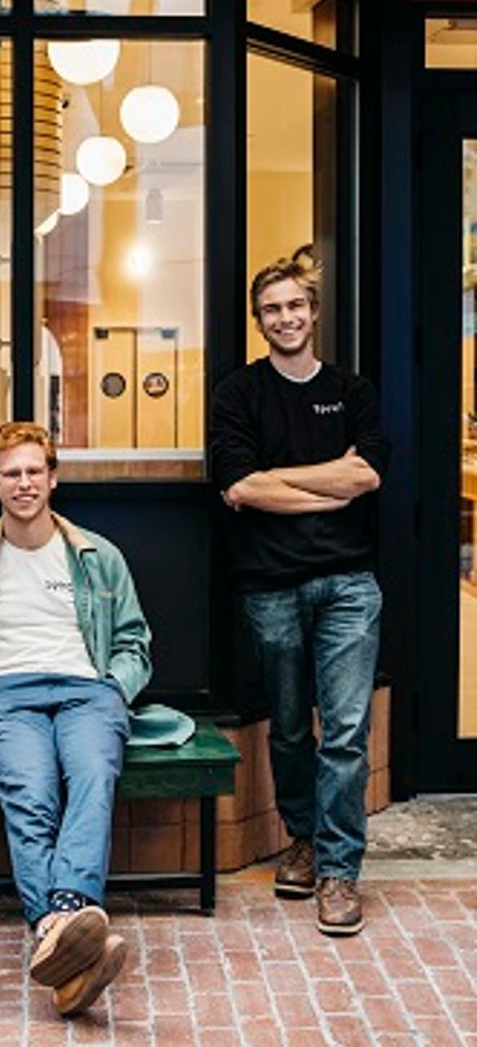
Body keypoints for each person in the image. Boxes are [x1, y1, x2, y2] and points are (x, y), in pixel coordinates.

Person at [0, 421, 152, 1018]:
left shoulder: (98, 557)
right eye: (11, 473)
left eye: (34, 472)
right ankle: (69, 928)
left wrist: (115, 685)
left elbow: (134, 642)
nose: (24, 484)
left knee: (93, 771)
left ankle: (56, 922)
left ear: (54, 479)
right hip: (5, 695)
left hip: (86, 692)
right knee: (31, 791)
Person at [210, 248, 389, 937]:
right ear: (259, 322)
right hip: (269, 587)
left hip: (348, 584)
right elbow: (240, 486)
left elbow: (366, 478)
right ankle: (304, 838)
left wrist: (279, 480)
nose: (284, 317)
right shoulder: (239, 394)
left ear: (313, 313)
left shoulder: (353, 392)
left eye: (294, 306)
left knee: (344, 732)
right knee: (288, 728)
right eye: (271, 310)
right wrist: (326, 480)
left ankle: (340, 872)